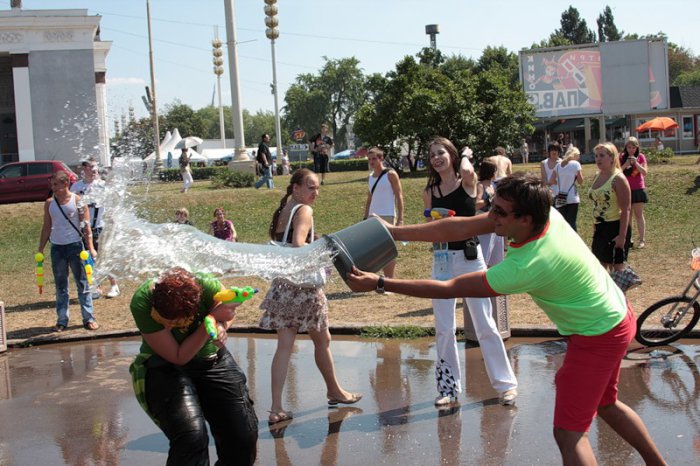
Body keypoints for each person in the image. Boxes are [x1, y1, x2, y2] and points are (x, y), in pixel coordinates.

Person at [346, 173, 667, 466]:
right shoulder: (545, 214)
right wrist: (395, 232)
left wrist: (379, 282)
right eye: (494, 207)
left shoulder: (527, 265)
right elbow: (461, 226)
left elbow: (449, 289)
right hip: (615, 313)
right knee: (607, 405)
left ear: (524, 220)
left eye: (500, 211)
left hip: (598, 335)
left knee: (569, 434)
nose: (492, 214)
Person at [259, 169, 361, 425]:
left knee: (287, 346)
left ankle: (276, 407)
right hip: (303, 290)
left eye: (317, 188)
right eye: (310, 187)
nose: (315, 193)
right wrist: (322, 251)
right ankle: (335, 391)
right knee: (322, 340)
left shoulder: (284, 210)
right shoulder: (303, 210)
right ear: (295, 188)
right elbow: (298, 245)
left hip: (283, 287)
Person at [422, 137, 517, 407]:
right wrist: (434, 220)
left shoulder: (467, 182)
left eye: (441, 152)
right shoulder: (430, 190)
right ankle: (448, 388)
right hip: (442, 260)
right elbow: (430, 226)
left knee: (485, 324)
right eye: (432, 155)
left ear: (451, 155)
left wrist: (465, 154)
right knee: (444, 328)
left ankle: (506, 385)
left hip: (470, 259)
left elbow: (467, 171)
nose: (436, 158)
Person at [128, 267, 258, 464]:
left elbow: (227, 311)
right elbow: (179, 356)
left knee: (242, 436)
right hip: (166, 366)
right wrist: (210, 321)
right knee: (191, 438)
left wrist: (221, 325)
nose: (170, 326)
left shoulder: (207, 285)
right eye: (163, 320)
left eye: (176, 322)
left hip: (212, 360)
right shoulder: (143, 301)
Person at [38, 171, 99, 332]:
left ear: (65, 184)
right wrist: (41, 248)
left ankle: (89, 318)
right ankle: (62, 319)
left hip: (75, 247)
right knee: (61, 286)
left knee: (82, 283)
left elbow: (86, 227)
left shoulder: (78, 201)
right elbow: (46, 227)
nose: (53, 188)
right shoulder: (49, 203)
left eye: (56, 184)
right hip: (57, 248)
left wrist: (91, 247)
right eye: (52, 185)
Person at [71, 159, 120, 299]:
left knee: (104, 257)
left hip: (100, 227)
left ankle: (114, 285)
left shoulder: (103, 186)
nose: (95, 170)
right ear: (84, 168)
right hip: (85, 229)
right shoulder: (76, 187)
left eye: (96, 167)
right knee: (89, 258)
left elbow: (113, 205)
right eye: (92, 167)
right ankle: (96, 287)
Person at [589, 143, 632, 273]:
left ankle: (619, 294)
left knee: (617, 271)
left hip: (615, 227)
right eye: (596, 156)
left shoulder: (618, 178)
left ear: (612, 157)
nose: (598, 159)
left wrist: (622, 236)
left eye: (602, 155)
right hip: (601, 228)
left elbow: (626, 209)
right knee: (598, 270)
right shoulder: (597, 175)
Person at [363, 147, 404, 279]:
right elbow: (369, 199)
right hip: (372, 217)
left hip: (387, 215)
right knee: (374, 249)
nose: (371, 162)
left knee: (387, 249)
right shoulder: (370, 177)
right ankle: (376, 279)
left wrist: (400, 218)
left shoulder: (390, 174)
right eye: (369, 159)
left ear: (381, 158)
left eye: (374, 158)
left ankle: (389, 280)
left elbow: (399, 196)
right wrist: (365, 217)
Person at [620, 136, 649, 248]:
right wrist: (626, 164)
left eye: (633, 147)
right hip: (626, 189)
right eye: (629, 147)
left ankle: (642, 240)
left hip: (638, 189)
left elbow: (645, 172)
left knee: (639, 215)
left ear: (637, 147)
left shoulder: (641, 157)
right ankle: (629, 239)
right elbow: (617, 172)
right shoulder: (622, 157)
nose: (631, 149)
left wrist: (636, 163)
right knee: (628, 215)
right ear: (626, 147)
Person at [549, 146, 584, 232]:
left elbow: (551, 180)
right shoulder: (576, 164)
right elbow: (580, 181)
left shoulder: (558, 165)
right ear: (575, 154)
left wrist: (561, 182)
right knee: (572, 221)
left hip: (560, 196)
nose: (579, 157)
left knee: (563, 221)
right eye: (578, 155)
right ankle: (574, 241)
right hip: (572, 197)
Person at [475, 159, 500, 265]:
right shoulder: (480, 185)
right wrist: (489, 199)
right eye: (495, 170)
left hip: (495, 222)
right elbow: (476, 204)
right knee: (485, 252)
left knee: (496, 256)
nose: (496, 173)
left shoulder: (494, 185)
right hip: (484, 222)